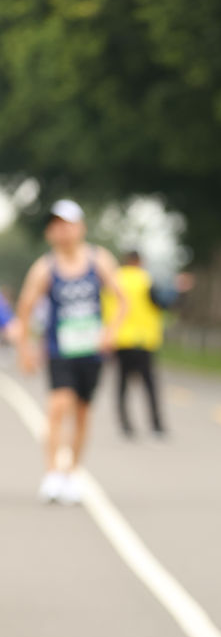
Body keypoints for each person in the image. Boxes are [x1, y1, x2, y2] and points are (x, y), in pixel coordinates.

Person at [16, 199, 127, 504]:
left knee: (81, 413)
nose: (62, 231)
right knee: (57, 406)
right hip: (59, 350)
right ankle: (52, 474)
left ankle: (72, 472)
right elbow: (25, 309)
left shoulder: (99, 260)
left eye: (67, 225)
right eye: (56, 226)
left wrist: (111, 331)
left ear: (80, 228)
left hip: (91, 350)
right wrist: (25, 349)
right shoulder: (44, 268)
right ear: (50, 233)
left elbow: (122, 300)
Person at [101, 250, 191, 437]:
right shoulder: (146, 281)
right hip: (143, 340)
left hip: (120, 339)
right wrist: (179, 290)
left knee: (122, 383)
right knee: (149, 385)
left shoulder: (114, 280)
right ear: (140, 262)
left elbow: (103, 308)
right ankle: (156, 424)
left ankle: (126, 425)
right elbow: (163, 303)